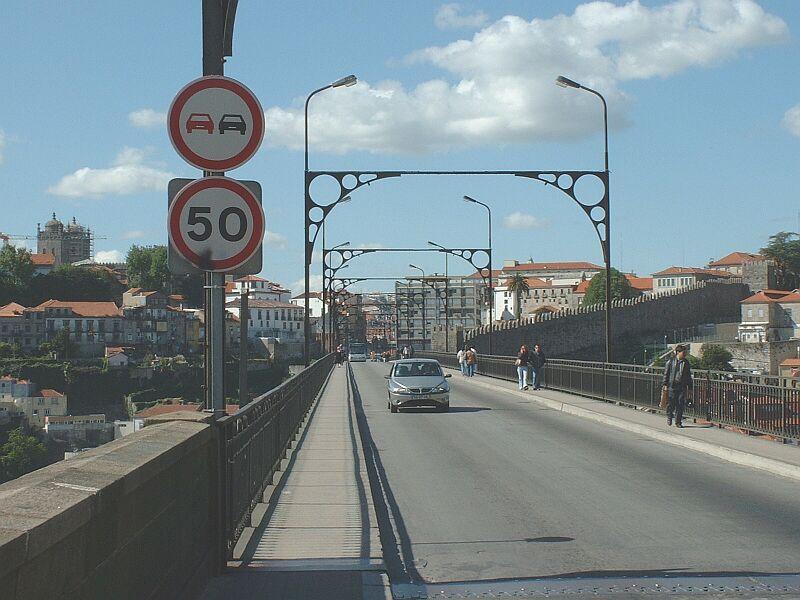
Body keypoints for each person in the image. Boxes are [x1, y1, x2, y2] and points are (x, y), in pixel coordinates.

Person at [662, 344, 693, 427]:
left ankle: (678, 422)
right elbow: (666, 373)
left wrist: (690, 387)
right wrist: (665, 384)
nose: (685, 354)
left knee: (680, 403)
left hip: (681, 386)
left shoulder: (686, 363)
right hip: (672, 385)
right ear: (678, 352)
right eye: (683, 352)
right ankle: (669, 416)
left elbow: (688, 375)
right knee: (671, 403)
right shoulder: (670, 362)